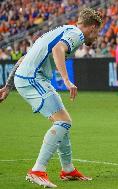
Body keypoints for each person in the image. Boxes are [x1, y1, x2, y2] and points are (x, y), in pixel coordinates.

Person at [0, 8, 103, 188]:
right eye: (98, 32)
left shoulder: (61, 30)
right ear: (93, 27)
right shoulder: (77, 33)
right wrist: (66, 80)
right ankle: (37, 170)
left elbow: (24, 57)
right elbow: (58, 49)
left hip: (29, 77)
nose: (96, 37)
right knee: (63, 122)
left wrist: (8, 86)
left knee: (64, 122)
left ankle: (68, 169)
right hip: (32, 78)